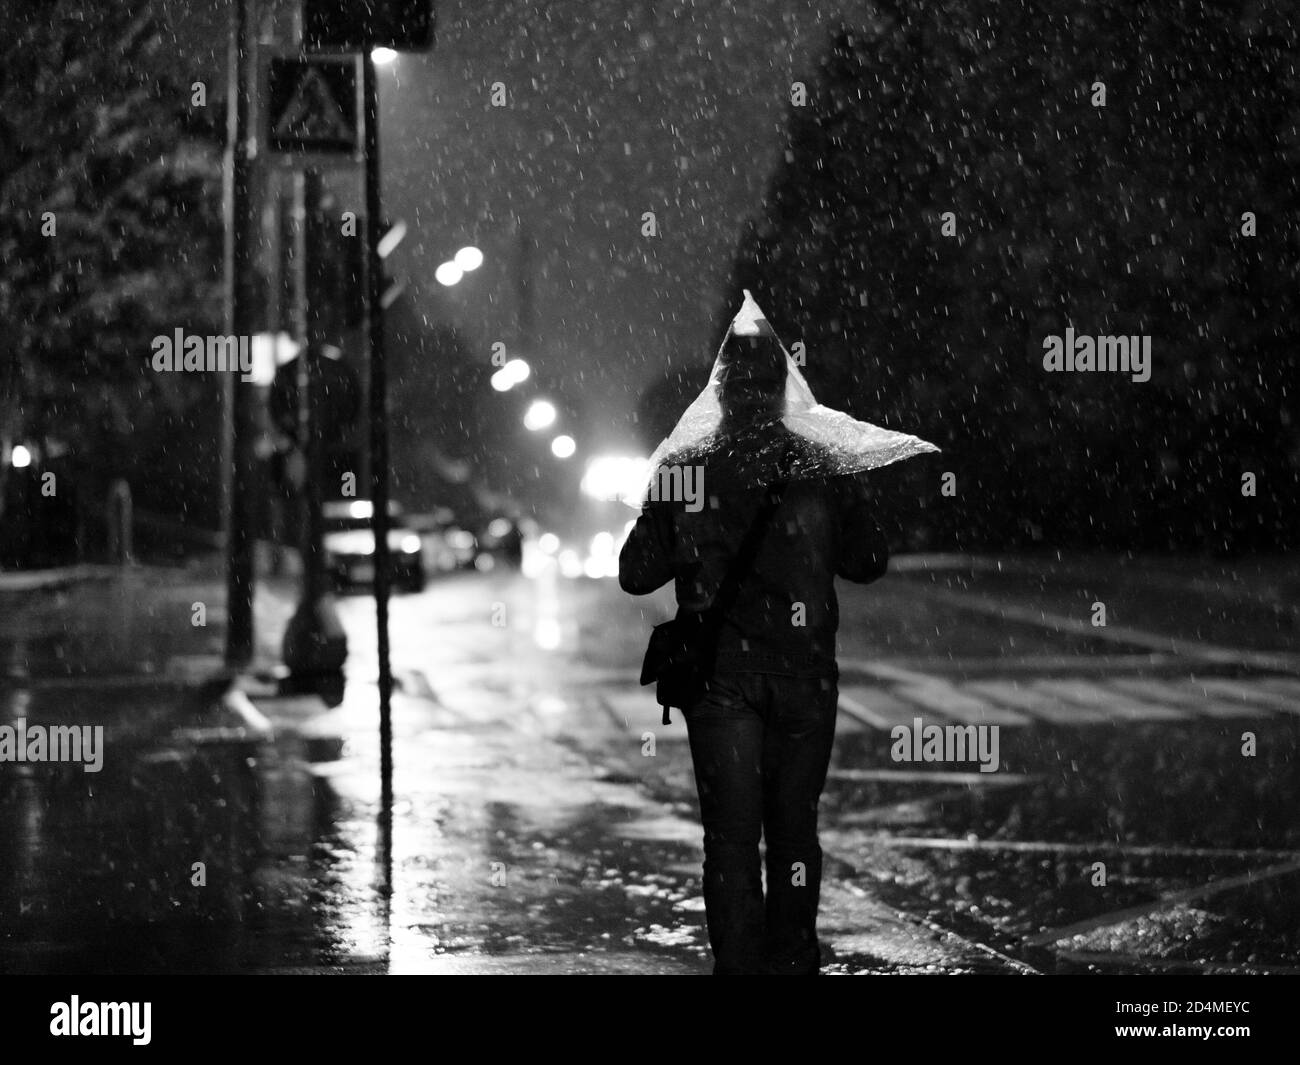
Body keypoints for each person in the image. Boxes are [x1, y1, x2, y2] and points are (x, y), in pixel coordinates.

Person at [618, 291, 936, 975]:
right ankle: (793, 962)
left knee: (731, 840)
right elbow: (869, 561)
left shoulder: (686, 470)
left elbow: (635, 573)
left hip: (721, 681)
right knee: (794, 835)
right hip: (805, 674)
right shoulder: (819, 466)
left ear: (723, 391)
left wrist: (674, 519)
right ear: (786, 388)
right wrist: (847, 502)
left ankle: (738, 968)